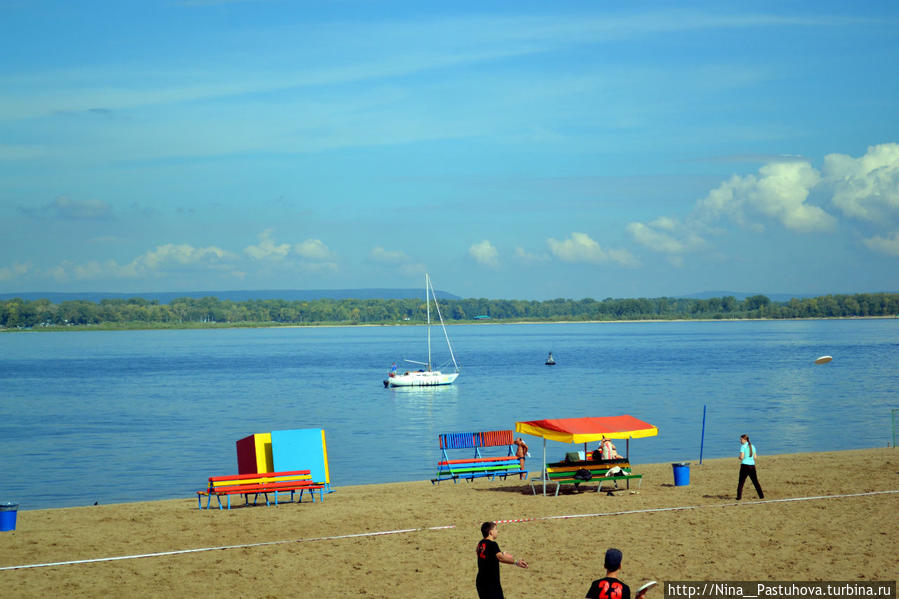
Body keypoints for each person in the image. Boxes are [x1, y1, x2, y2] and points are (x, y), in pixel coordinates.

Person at [476, 521, 528, 599]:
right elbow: (500, 558)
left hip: (480, 581)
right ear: (490, 532)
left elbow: (487, 555)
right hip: (491, 583)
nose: (497, 531)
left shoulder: (480, 543)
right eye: (495, 529)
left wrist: (501, 553)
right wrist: (516, 562)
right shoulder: (493, 544)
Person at [737, 434, 764, 500]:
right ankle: (761, 496)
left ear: (745, 440)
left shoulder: (743, 446)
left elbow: (742, 457)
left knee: (741, 482)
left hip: (745, 466)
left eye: (741, 439)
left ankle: (739, 497)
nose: (740, 441)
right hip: (752, 466)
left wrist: (739, 458)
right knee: (755, 481)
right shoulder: (753, 446)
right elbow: (755, 457)